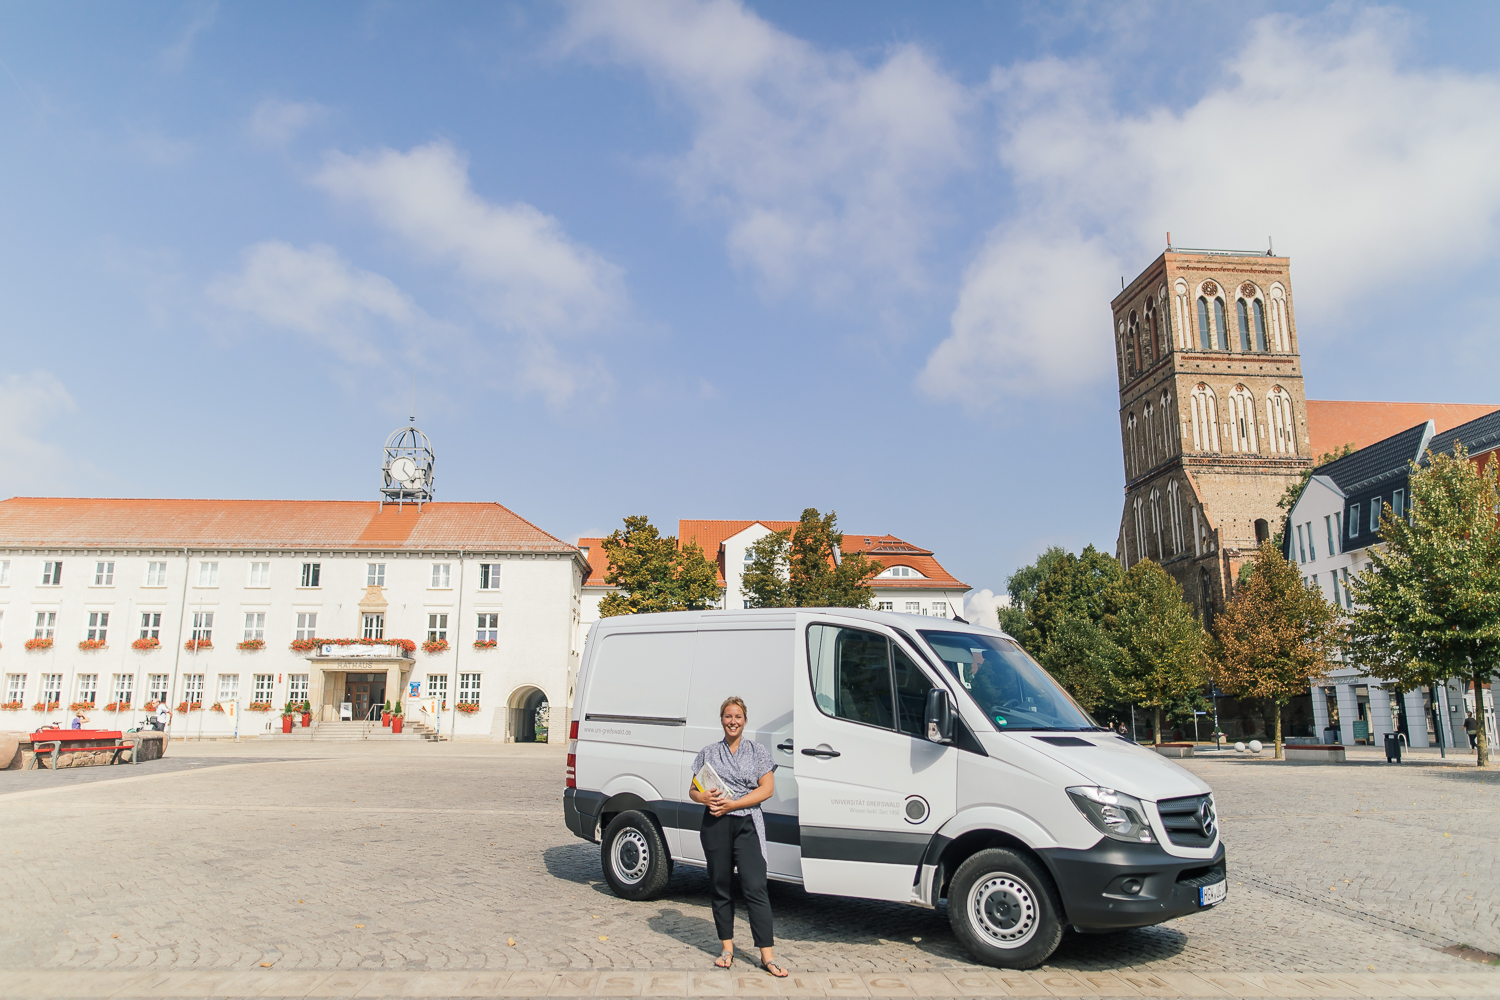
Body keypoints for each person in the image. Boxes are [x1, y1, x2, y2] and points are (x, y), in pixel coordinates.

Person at [688, 696, 786, 978]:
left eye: (738, 717)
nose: (733, 721)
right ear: (722, 720)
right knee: (720, 885)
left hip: (747, 824)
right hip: (716, 824)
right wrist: (702, 797)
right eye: (728, 716)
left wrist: (735, 804)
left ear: (745, 721)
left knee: (755, 886)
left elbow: (766, 789)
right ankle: (727, 949)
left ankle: (767, 955)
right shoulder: (708, 752)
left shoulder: (757, 752)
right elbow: (692, 790)